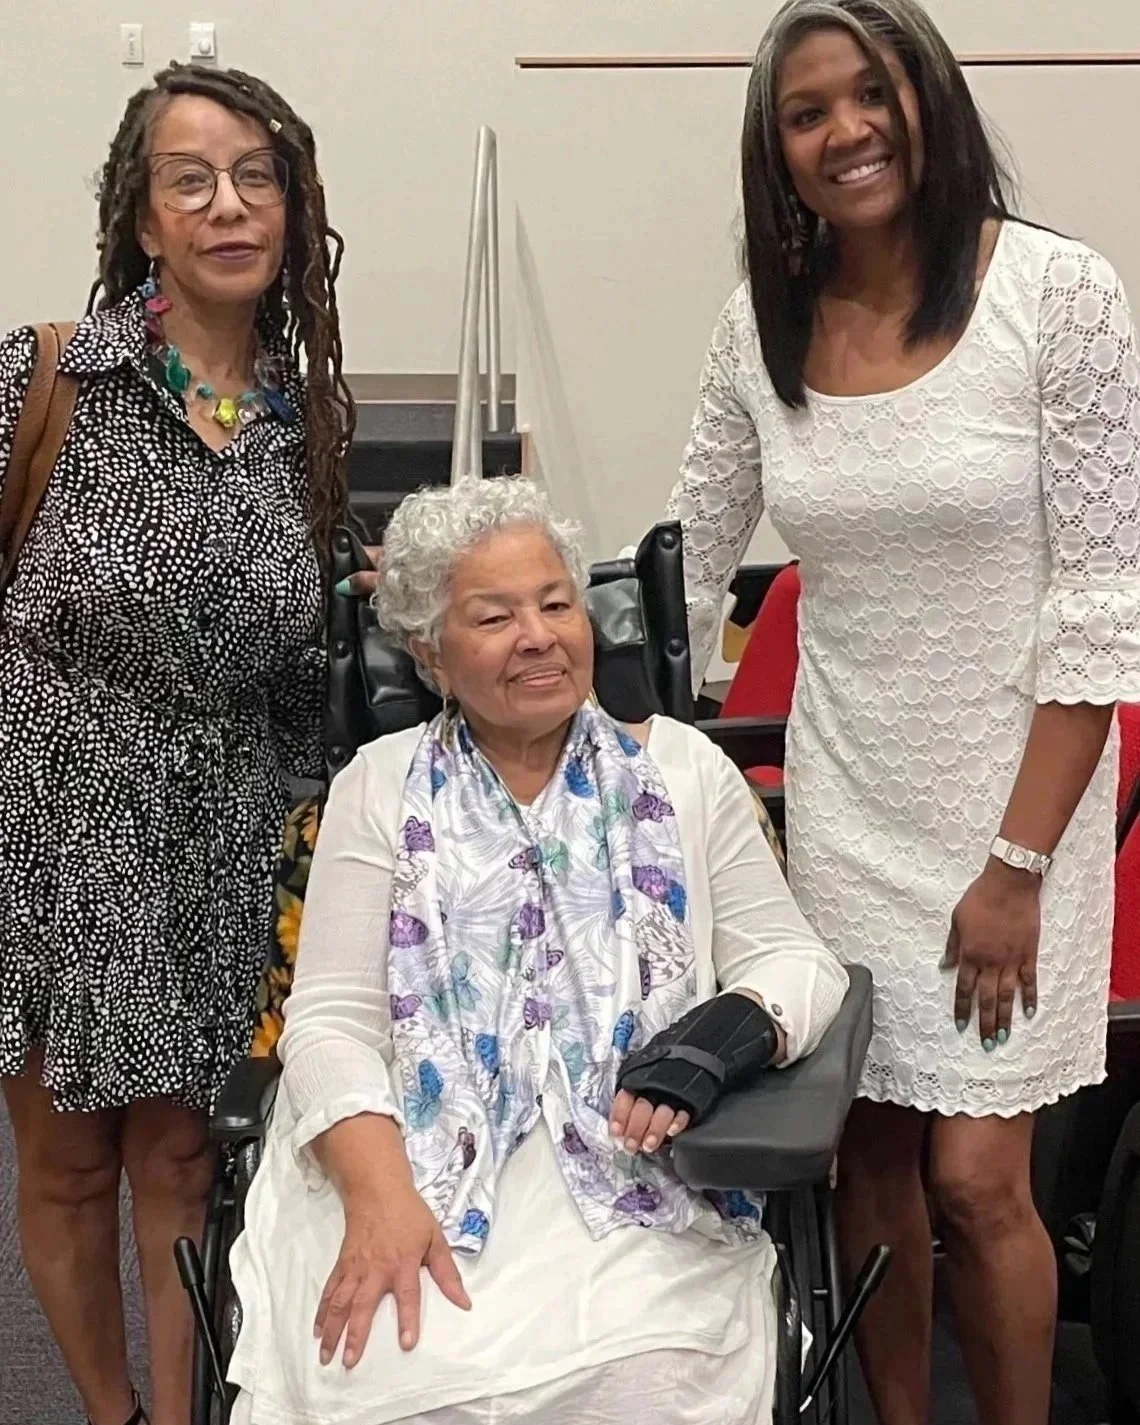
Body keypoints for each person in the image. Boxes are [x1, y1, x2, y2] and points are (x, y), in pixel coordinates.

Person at [662, 2, 1140, 1423]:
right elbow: (686, 553)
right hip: (846, 803)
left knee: (980, 1180)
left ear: (927, 99)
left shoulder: (1060, 296)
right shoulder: (761, 331)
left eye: (869, 94)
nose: (845, 131)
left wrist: (1021, 866)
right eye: (806, 112)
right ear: (778, 150)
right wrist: (510, 612)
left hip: (1019, 813)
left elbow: (1103, 605)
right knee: (863, 1157)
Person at [226, 476, 849, 1425]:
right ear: (432, 654)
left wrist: (719, 1037)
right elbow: (329, 1024)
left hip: (633, 1165)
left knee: (652, 1376)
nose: (539, 634)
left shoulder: (680, 769)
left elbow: (798, 964)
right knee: (389, 1378)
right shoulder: (378, 786)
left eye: (556, 603)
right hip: (415, 1158)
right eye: (495, 615)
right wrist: (380, 1194)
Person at [0, 64, 352, 1425]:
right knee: (70, 1161)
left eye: (256, 178)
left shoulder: (303, 417)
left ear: (291, 208)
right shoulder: (45, 378)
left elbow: (296, 665)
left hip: (217, 835)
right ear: (143, 220)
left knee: (184, 1157)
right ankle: (110, 1410)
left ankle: (190, 1412)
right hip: (44, 825)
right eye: (190, 180)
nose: (227, 205)